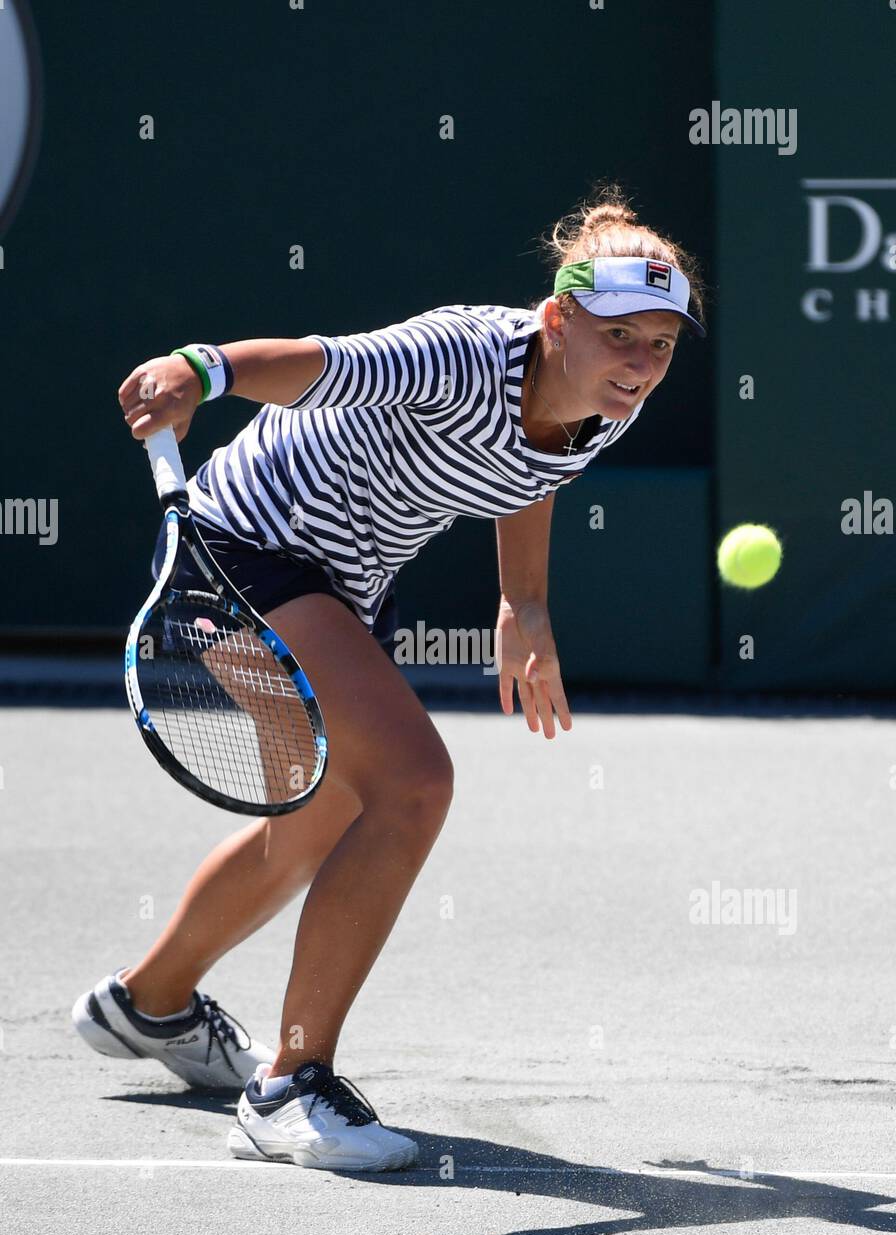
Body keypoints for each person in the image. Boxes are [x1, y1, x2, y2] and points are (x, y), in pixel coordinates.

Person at [72, 187, 705, 1172]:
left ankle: (147, 1003)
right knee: (414, 783)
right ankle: (290, 1084)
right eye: (620, 335)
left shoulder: (603, 407)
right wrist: (205, 369)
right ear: (555, 320)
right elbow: (322, 363)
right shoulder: (458, 354)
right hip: (241, 552)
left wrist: (523, 605)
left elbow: (531, 471)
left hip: (345, 583)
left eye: (659, 344)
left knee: (315, 822)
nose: (639, 362)